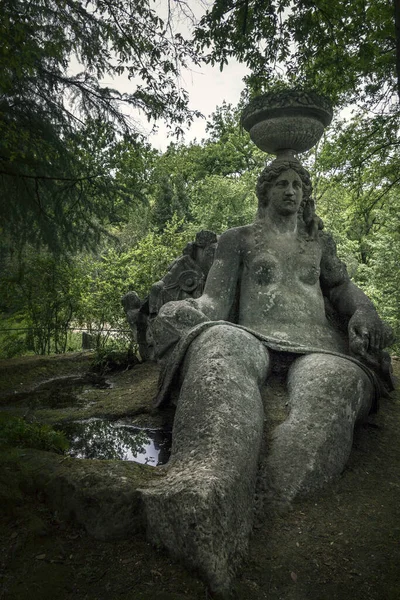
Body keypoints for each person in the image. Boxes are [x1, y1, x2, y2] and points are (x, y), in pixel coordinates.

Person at [141, 159, 393, 598]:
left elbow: (343, 291)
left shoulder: (319, 243)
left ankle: (268, 499)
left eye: (298, 184)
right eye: (282, 184)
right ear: (265, 191)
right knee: (219, 349)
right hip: (249, 333)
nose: (292, 191)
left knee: (331, 389)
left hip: (318, 345)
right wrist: (187, 311)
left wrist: (366, 310)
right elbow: (213, 302)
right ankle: (209, 481)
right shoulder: (236, 240)